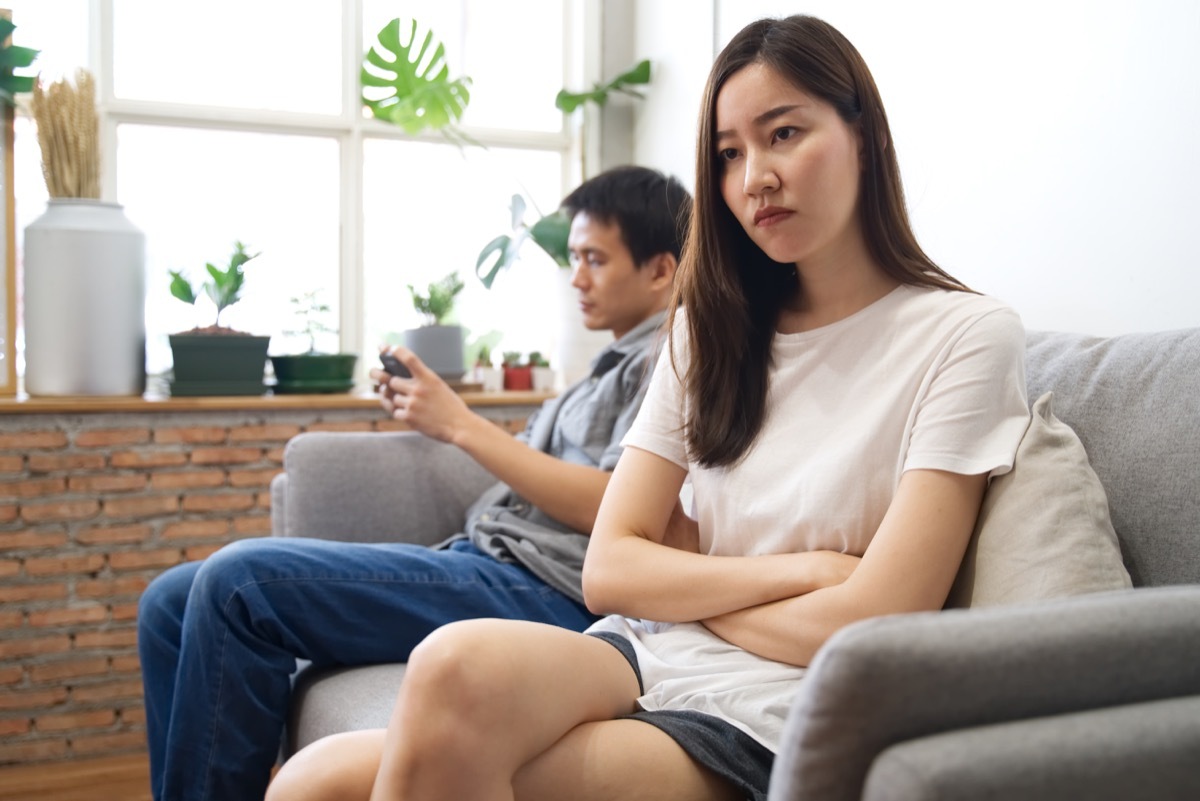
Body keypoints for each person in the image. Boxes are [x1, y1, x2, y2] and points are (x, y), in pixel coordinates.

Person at [266, 15, 1031, 801]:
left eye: (784, 134)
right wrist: (802, 571)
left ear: (864, 136)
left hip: (779, 704)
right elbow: (610, 567)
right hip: (648, 648)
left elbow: (872, 617)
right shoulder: (709, 331)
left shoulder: (964, 336)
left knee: (333, 786)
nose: (754, 176)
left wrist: (699, 588)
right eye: (730, 154)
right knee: (417, 686)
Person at [135, 164, 692, 801]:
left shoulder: (672, 359)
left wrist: (459, 424)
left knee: (241, 586)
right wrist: (443, 414)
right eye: (573, 258)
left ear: (660, 269)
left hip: (552, 589)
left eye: (595, 259)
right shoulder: (604, 366)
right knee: (169, 603)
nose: (576, 278)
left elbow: (619, 511)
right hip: (490, 557)